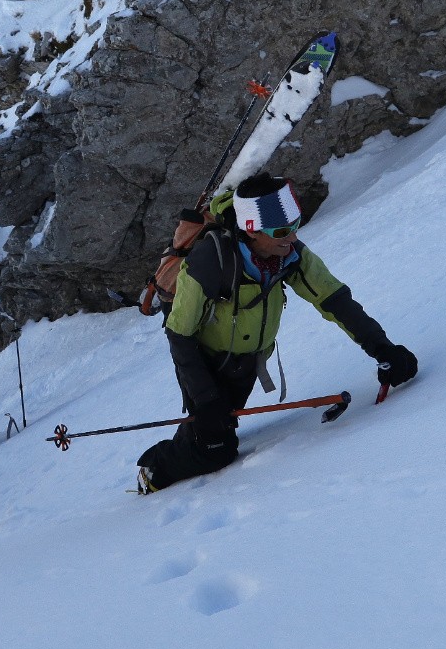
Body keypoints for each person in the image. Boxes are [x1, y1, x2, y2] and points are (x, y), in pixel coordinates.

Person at [137, 172, 417, 493]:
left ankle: (204, 433)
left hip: (248, 360)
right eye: (282, 231)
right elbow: (180, 335)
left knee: (221, 425)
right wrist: (204, 397)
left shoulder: (289, 254)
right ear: (252, 230)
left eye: (296, 224)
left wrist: (384, 350)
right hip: (203, 360)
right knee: (214, 448)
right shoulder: (210, 261)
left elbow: (333, 299)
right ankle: (154, 469)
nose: (292, 236)